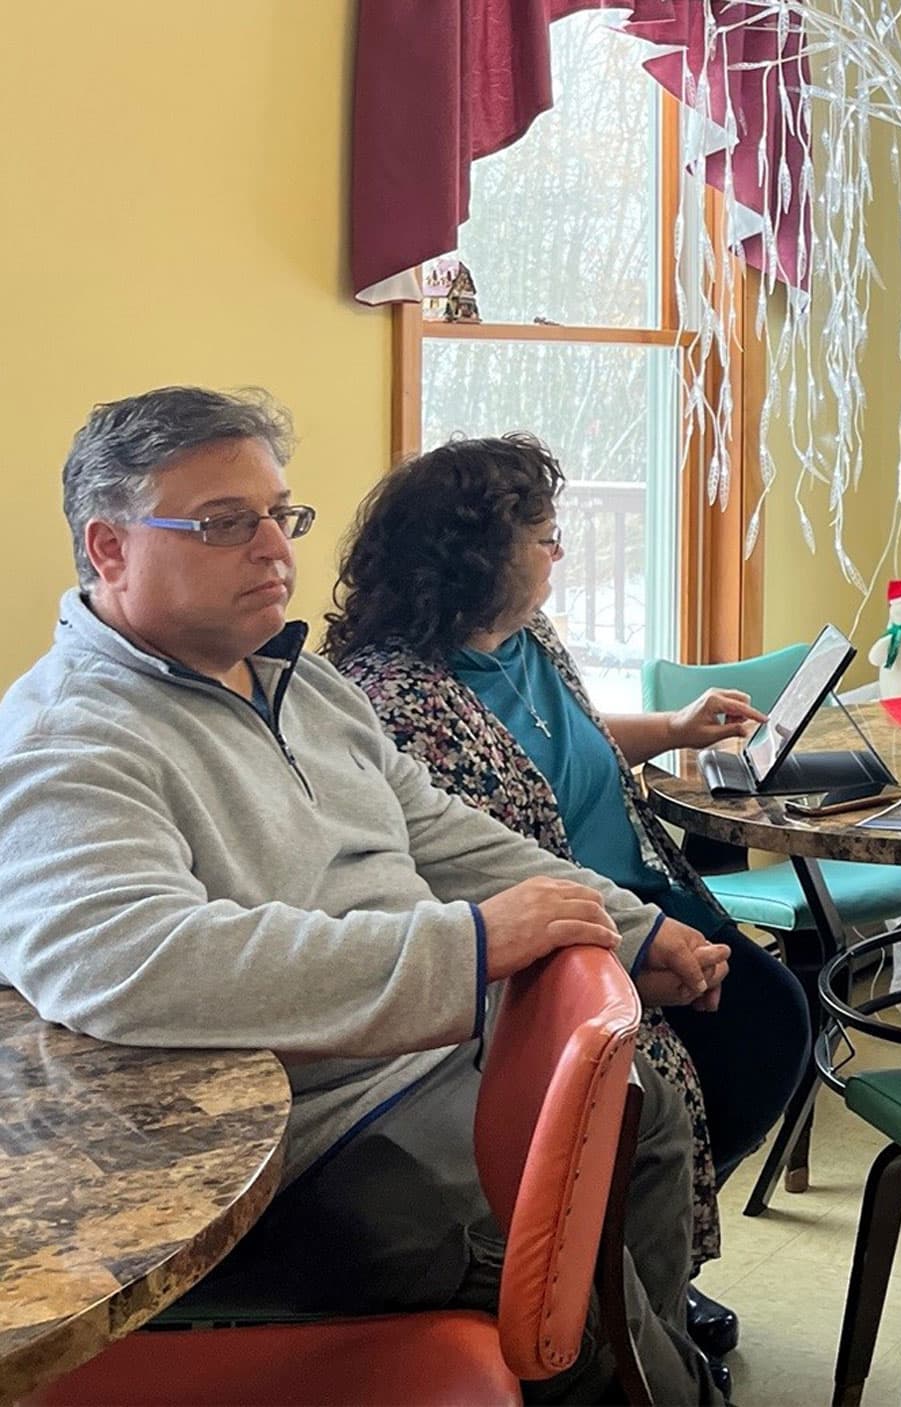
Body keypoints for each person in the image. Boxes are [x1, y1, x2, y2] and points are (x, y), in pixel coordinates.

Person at [0, 388, 735, 1402]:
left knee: (641, 1122)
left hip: (431, 1056)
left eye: (279, 515)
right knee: (553, 1262)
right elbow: (126, 964)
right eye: (224, 523)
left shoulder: (298, 680)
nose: (274, 550)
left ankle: (640, 1371)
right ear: (110, 548)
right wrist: (470, 947)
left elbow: (438, 830)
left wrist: (630, 925)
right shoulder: (71, 739)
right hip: (298, 1142)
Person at [325, 434, 812, 1374]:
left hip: (637, 886)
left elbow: (570, 742)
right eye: (544, 536)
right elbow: (464, 867)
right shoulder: (395, 699)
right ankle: (631, 1298)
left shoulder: (525, 636)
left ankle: (642, 1271)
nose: (560, 553)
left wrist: (670, 729)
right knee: (662, 1092)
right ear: (473, 559)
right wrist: (625, 948)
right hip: (559, 941)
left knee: (767, 1017)